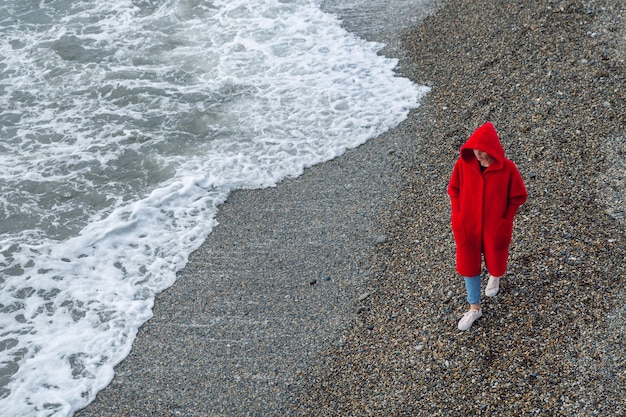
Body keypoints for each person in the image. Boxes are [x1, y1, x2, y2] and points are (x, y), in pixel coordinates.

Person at [447, 122, 528, 331]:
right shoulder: (462, 165)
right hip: (467, 225)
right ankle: (474, 307)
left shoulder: (508, 169)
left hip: (494, 226)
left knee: (496, 257)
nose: (479, 154)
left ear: (493, 149)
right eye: (475, 149)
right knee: (469, 265)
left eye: (483, 150)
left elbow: (518, 196)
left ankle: (495, 276)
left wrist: (506, 219)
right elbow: (453, 190)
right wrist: (457, 215)